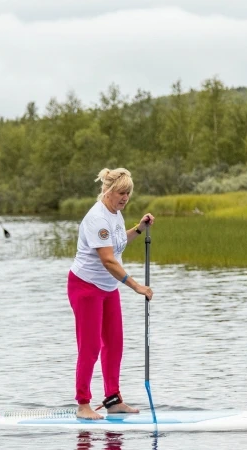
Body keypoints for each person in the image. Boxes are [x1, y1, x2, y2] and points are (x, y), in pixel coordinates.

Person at [67, 167, 155, 420]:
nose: (125, 198)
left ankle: (113, 400)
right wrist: (137, 286)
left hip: (107, 288)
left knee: (114, 344)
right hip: (85, 287)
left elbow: (117, 244)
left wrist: (138, 228)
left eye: (128, 193)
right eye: (121, 193)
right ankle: (83, 404)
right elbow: (108, 260)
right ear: (107, 191)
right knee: (91, 346)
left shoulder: (115, 214)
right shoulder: (97, 218)